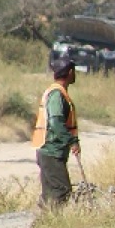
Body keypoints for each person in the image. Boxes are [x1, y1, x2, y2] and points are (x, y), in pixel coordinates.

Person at [33, 56, 81, 209]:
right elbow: (56, 122)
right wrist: (72, 141)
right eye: (73, 71)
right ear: (69, 72)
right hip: (51, 151)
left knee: (50, 195)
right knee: (62, 191)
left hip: (50, 151)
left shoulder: (57, 92)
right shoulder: (57, 95)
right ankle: (50, 225)